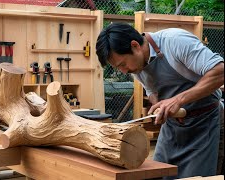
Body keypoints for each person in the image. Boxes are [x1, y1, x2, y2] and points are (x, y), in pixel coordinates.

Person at [96, 22, 224, 179]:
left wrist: (178, 100)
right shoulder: (136, 65)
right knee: (156, 174)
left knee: (194, 178)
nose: (123, 71)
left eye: (123, 64)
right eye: (118, 68)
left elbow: (220, 71)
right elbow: (152, 91)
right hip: (171, 127)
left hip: (204, 123)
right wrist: (156, 106)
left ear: (135, 45)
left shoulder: (175, 42)